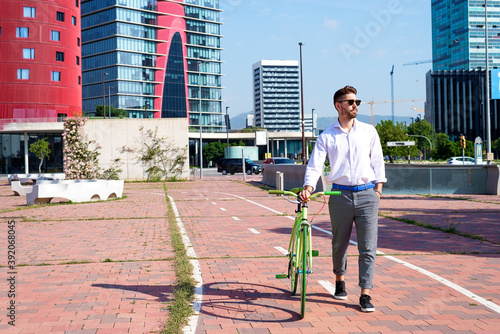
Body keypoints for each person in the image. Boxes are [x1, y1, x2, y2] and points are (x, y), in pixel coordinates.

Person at [299, 85, 386, 312]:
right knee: (340, 244)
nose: (355, 105)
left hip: (368, 194)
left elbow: (377, 160)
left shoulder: (369, 131)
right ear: (339, 106)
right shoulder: (327, 135)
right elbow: (315, 164)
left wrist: (378, 188)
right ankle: (339, 280)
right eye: (350, 102)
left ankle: (365, 294)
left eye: (357, 101)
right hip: (339, 195)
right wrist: (308, 187)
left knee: (368, 247)